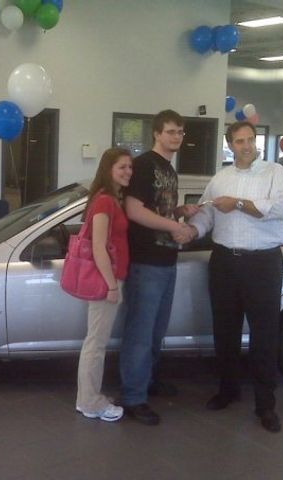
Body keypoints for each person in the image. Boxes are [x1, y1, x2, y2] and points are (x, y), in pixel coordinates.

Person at [186, 121, 283, 433]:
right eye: (239, 141)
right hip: (224, 263)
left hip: (262, 263)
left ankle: (265, 405)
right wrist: (191, 227)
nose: (246, 146)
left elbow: (280, 209)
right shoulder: (220, 179)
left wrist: (240, 205)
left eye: (250, 140)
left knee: (264, 334)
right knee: (225, 331)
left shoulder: (275, 173)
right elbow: (207, 214)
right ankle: (228, 390)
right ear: (230, 145)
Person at [119, 109, 198, 426]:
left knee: (156, 331)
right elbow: (134, 210)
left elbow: (157, 208)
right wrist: (173, 226)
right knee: (139, 333)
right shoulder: (143, 165)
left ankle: (148, 381)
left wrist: (180, 211)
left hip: (167, 260)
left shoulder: (169, 169)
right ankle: (133, 397)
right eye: (170, 132)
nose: (176, 137)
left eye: (180, 132)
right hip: (145, 261)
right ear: (156, 133)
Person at [75, 147, 133, 422]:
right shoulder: (104, 202)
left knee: (96, 341)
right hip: (105, 281)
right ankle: (90, 402)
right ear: (108, 168)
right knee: (96, 343)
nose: (128, 172)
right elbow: (98, 247)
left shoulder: (111, 199)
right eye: (122, 167)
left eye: (130, 167)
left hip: (111, 278)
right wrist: (111, 285)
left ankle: (89, 396)